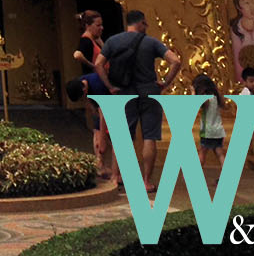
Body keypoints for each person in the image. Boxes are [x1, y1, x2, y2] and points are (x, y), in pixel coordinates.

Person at [95, 10, 184, 192]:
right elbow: (175, 61)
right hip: (149, 91)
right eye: (146, 24)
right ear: (141, 23)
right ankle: (146, 181)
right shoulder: (151, 42)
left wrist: (110, 86)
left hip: (124, 93)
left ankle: (115, 177)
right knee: (149, 137)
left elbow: (98, 64)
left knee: (123, 137)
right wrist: (165, 83)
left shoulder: (113, 41)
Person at [65, 72, 113, 180]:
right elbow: (89, 104)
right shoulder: (80, 83)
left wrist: (103, 138)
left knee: (105, 137)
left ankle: (116, 174)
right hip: (99, 108)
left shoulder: (97, 85)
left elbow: (103, 115)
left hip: (111, 103)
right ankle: (100, 165)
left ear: (84, 90)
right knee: (97, 132)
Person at [194, 74, 226, 169]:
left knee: (202, 152)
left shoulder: (205, 98)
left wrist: (193, 92)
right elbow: (224, 105)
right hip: (218, 130)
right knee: (220, 154)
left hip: (207, 131)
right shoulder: (216, 97)